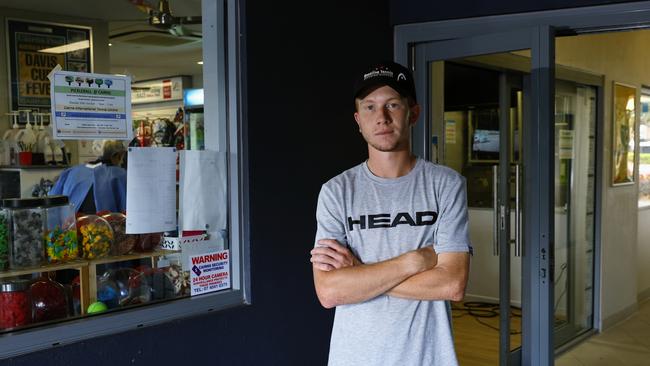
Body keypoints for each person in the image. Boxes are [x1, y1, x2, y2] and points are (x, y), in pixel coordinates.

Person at [311, 61, 472, 366]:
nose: (381, 117)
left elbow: (451, 285)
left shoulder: (446, 185)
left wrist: (359, 271)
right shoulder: (336, 192)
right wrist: (414, 261)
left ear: (413, 113)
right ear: (358, 120)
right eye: (370, 107)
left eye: (392, 105)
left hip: (428, 357)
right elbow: (330, 292)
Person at [49, 140, 127, 214]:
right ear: (116, 155)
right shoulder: (120, 174)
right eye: (121, 157)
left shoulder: (71, 171)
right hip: (106, 225)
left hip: (71, 225)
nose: (122, 161)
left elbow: (52, 200)